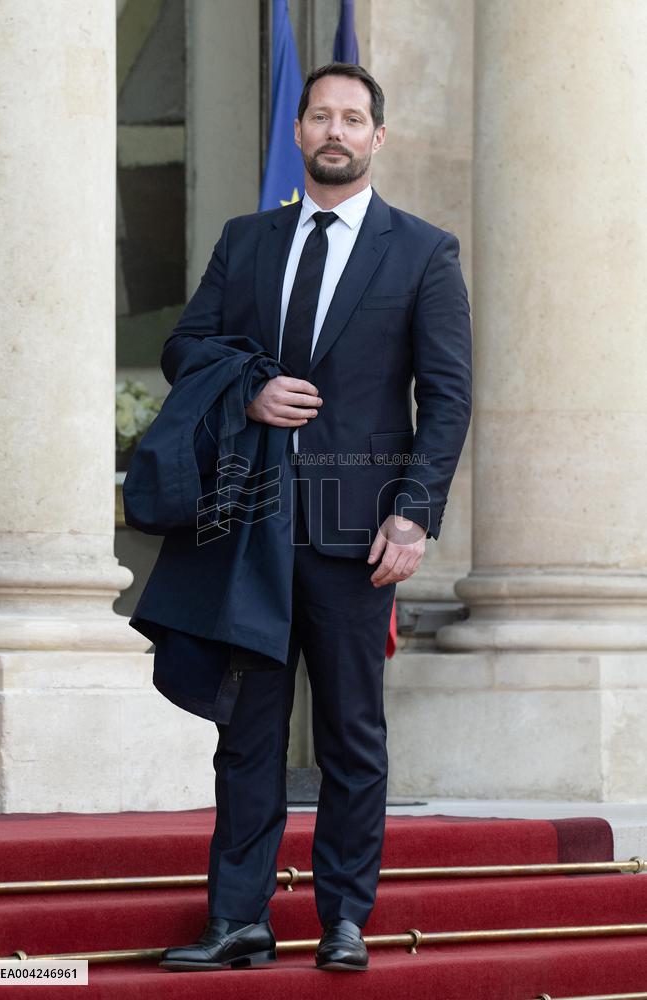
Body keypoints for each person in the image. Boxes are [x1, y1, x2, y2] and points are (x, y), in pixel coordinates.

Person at [159, 62, 472, 974]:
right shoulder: (245, 239)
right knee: (246, 736)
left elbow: (446, 399)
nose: (335, 130)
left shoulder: (423, 251)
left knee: (350, 736)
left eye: (353, 118)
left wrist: (414, 518)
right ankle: (239, 920)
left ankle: (344, 918)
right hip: (251, 534)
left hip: (357, 536)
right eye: (319, 115)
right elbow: (184, 345)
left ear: (378, 137)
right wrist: (251, 389)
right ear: (297, 131)